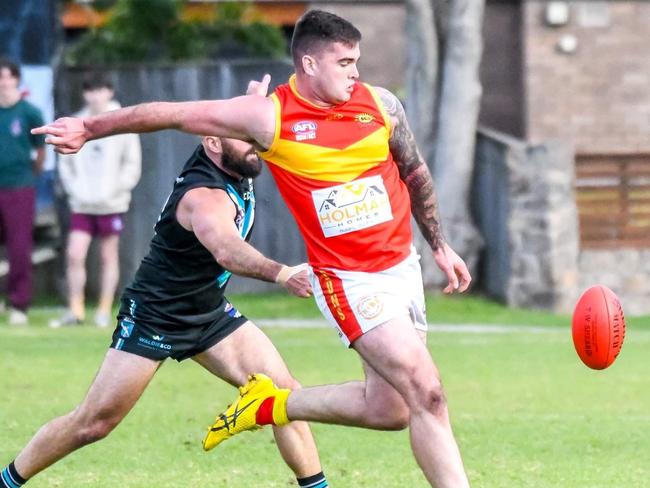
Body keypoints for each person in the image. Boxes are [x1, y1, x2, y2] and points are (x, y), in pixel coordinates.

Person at [32, 10, 473, 487]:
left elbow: (415, 172)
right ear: (309, 64)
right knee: (427, 393)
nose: (355, 72)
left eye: (357, 61)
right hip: (348, 280)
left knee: (391, 410)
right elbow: (171, 114)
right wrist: (90, 129)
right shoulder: (269, 119)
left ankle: (268, 405)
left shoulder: (382, 105)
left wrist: (441, 246)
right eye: (344, 62)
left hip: (400, 268)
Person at [0, 78, 329, 488]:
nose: (258, 144)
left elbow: (163, 115)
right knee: (93, 423)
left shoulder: (232, 152)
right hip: (156, 314)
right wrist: (283, 272)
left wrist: (251, 101)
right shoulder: (204, 198)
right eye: (246, 137)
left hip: (208, 312)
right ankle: (7, 480)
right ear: (213, 142)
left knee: (282, 394)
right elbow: (228, 251)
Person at [52, 73, 142, 328]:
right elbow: (65, 161)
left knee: (107, 256)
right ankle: (75, 310)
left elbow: (132, 164)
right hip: (82, 202)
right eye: (90, 90)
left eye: (100, 90)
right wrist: (75, 190)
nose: (95, 95)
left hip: (112, 203)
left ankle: (103, 310)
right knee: (74, 254)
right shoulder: (77, 122)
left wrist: (117, 190)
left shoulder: (123, 123)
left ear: (109, 92)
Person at [0, 58, 45, 326]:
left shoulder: (29, 112)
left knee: (19, 247)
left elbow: (40, 152)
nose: (3, 83)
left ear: (16, 80)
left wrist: (30, 174)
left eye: (7, 77)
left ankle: (19, 304)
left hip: (19, 187)